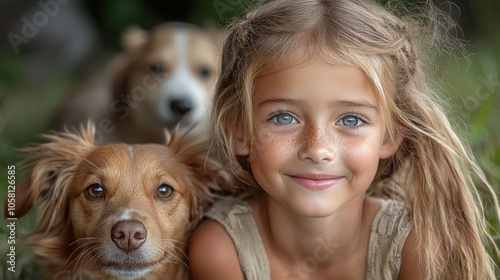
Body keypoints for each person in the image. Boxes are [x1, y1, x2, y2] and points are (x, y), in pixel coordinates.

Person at [188, 0, 500, 279]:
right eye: (284, 118)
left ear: (389, 136)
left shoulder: (415, 248)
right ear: (239, 131)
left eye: (351, 120)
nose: (317, 149)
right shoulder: (221, 250)